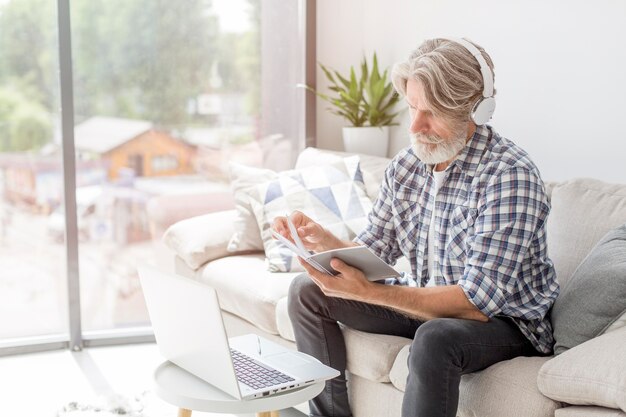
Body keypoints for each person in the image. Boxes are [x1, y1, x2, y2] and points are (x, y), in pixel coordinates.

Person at [272, 37, 560, 417]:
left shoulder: (509, 176)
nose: (416, 125)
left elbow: (475, 304)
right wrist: (329, 246)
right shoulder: (408, 166)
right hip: (431, 307)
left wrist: (371, 294)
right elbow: (374, 253)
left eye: (433, 112)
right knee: (307, 291)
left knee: (436, 337)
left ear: (477, 110)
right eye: (412, 107)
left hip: (504, 324)